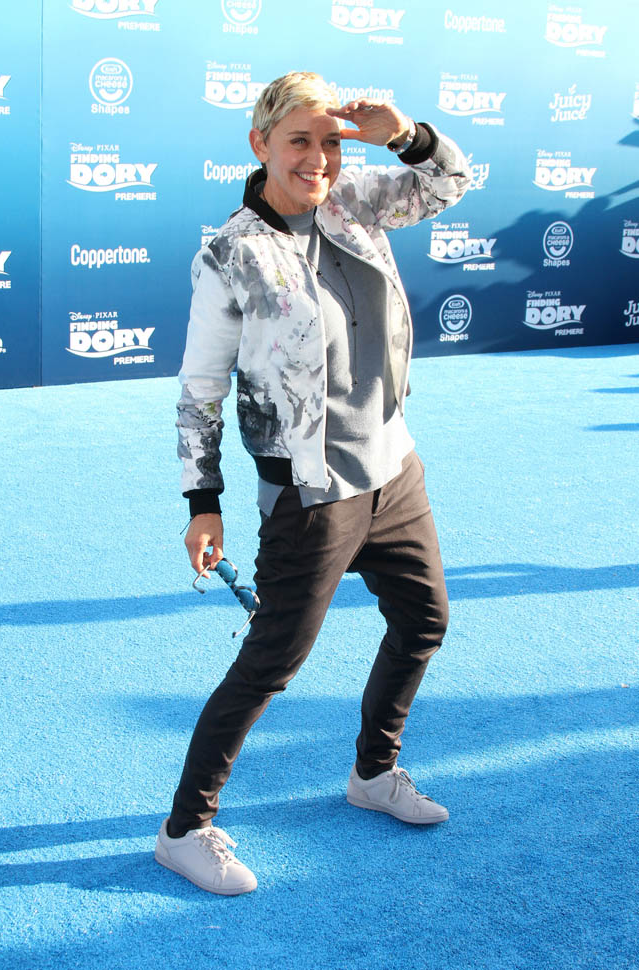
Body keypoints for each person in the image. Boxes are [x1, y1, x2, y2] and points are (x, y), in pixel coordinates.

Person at [155, 72, 471, 895]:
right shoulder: (230, 254)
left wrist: (401, 133)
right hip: (310, 493)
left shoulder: (355, 201)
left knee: (425, 619)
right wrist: (203, 502)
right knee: (270, 664)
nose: (319, 158)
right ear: (260, 144)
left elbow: (449, 182)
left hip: (393, 468)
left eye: (331, 141)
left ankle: (374, 773)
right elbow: (200, 391)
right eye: (299, 140)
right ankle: (184, 830)